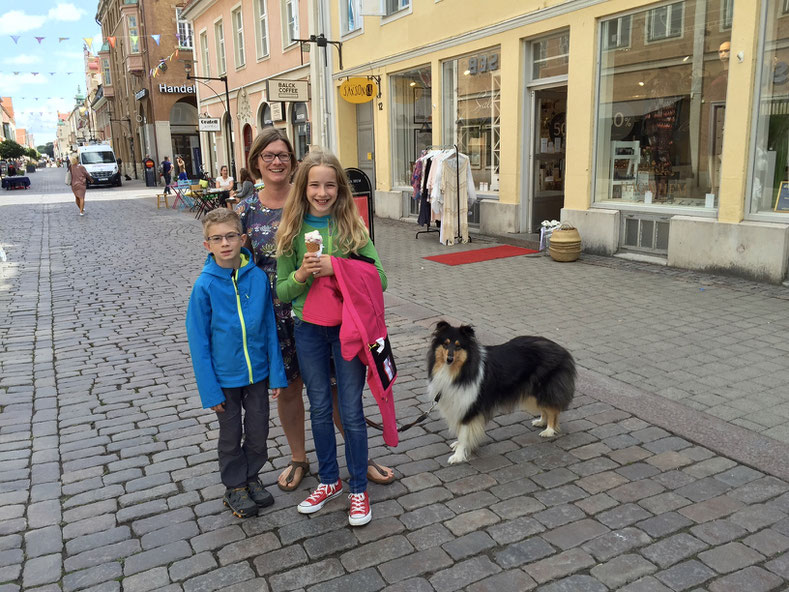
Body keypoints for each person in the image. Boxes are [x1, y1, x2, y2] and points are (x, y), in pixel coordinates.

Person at [237, 128, 394, 493]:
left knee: (340, 393)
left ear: (294, 164)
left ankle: (358, 461)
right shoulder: (247, 212)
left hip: (337, 321)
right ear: (256, 161)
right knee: (295, 390)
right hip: (280, 318)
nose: (276, 162)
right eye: (268, 156)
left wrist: (336, 267)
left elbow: (375, 273)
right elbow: (235, 265)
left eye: (283, 156)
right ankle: (301, 460)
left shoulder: (326, 211)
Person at [275, 148, 387, 527]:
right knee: (321, 408)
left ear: (339, 188)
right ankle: (328, 481)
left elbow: (380, 280)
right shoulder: (291, 231)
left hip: (348, 332)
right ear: (303, 188)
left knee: (351, 411)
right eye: (314, 185)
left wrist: (337, 267)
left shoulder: (352, 227)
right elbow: (283, 291)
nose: (322, 193)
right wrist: (303, 275)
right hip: (308, 329)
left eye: (329, 185)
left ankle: (358, 488)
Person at [186, 208, 288, 519]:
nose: (225, 243)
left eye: (231, 236)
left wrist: (277, 375)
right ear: (208, 245)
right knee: (230, 435)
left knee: (257, 430)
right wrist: (210, 390)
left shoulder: (257, 277)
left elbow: (269, 326)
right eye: (217, 238)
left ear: (242, 238)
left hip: (257, 373)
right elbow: (198, 342)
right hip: (224, 378)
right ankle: (235, 485)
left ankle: (252, 476)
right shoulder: (204, 286)